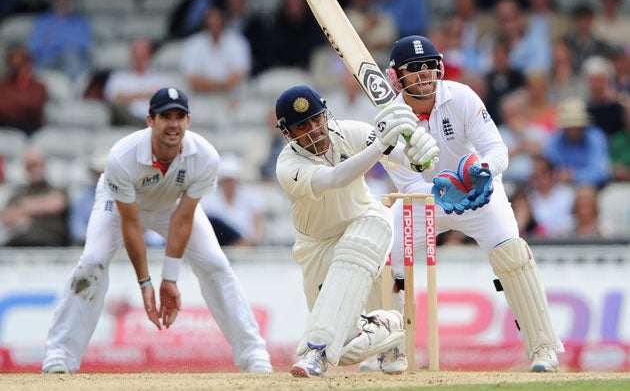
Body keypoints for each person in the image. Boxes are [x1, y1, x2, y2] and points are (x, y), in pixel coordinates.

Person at [42, 87, 272, 374]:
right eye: (165, 116)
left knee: (215, 264)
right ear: (150, 120)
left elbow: (183, 218)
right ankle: (59, 356)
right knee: (92, 262)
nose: (173, 124)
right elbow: (131, 222)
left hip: (172, 205)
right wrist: (145, 283)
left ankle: (254, 356)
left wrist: (169, 280)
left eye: (179, 116)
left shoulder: (205, 157)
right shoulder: (122, 156)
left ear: (188, 121)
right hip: (120, 206)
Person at [384, 35, 564, 372]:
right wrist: (439, 190)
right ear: (397, 76)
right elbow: (405, 180)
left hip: (478, 193)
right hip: (423, 199)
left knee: (513, 255)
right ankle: (389, 348)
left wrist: (482, 172)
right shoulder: (388, 118)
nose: (424, 74)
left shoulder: (461, 96)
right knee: (381, 254)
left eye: (429, 66)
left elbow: (498, 150)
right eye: (414, 69)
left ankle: (543, 348)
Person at [274, 85, 439, 377]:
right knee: (346, 344)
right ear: (288, 133)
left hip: (368, 223)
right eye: (303, 126)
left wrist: (418, 153)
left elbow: (405, 160)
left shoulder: (350, 132)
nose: (314, 130)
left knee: (361, 240)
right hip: (318, 246)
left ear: (325, 114)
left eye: (317, 119)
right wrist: (381, 147)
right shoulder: (288, 165)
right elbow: (336, 178)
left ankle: (317, 352)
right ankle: (387, 329)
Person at [180, 5, 251, 110]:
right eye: (211, 24)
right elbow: (193, 80)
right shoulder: (192, 44)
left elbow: (237, 79)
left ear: (224, 24)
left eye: (218, 24)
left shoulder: (238, 43)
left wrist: (207, 84)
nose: (215, 27)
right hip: (201, 99)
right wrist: (222, 84)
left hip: (231, 98)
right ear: (205, 25)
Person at [0, 147, 70, 247]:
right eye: (30, 166)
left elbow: (55, 205)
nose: (35, 169)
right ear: (25, 168)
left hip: (51, 245)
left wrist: (23, 208)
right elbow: (7, 218)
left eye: (37, 164)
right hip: (20, 245)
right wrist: (41, 205)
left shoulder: (57, 188)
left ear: (44, 165)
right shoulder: (18, 192)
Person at [28, 0, 93, 81]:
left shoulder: (82, 22)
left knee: (72, 57)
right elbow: (35, 48)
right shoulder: (41, 21)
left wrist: (52, 41)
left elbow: (84, 47)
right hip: (47, 62)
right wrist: (63, 46)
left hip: (73, 63)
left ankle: (72, 95)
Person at [103, 38, 173, 127]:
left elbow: (167, 100)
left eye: (143, 57)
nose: (139, 60)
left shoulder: (161, 79)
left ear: (150, 56)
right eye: (136, 56)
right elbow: (115, 100)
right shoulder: (118, 78)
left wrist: (129, 96)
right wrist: (148, 94)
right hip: (127, 119)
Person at [544, 98, 611, 188]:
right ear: (563, 127)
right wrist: (561, 175)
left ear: (584, 125)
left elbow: (601, 173)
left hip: (593, 188)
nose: (573, 131)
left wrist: (574, 175)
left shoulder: (596, 138)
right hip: (562, 187)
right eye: (569, 127)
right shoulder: (554, 141)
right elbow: (550, 170)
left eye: (577, 127)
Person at [200, 153, 264, 248]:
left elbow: (258, 222)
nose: (228, 184)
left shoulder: (250, 196)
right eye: (226, 180)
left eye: (231, 180)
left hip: (244, 242)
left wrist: (250, 242)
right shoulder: (209, 199)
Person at [0, 45, 48, 135]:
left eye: (20, 65)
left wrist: (22, 86)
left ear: (29, 64)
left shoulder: (39, 87)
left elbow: (34, 106)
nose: (16, 69)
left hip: (30, 132)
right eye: (13, 65)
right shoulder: (2, 86)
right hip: (3, 130)